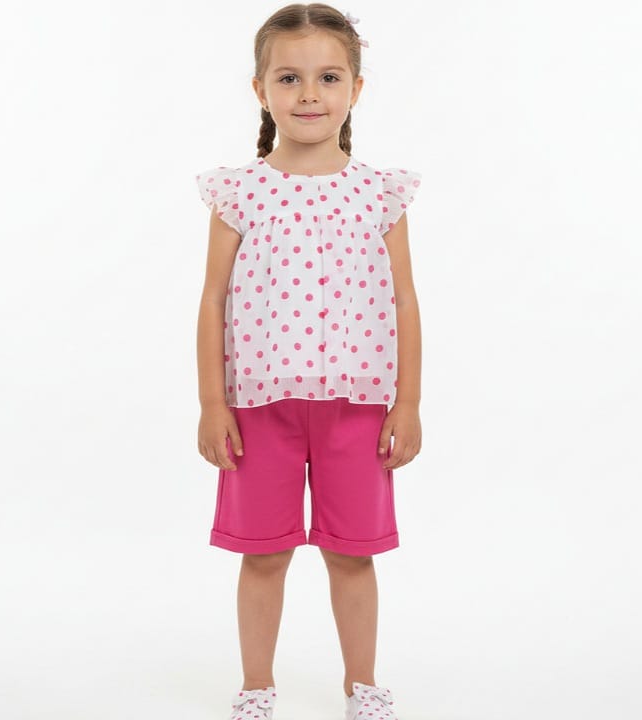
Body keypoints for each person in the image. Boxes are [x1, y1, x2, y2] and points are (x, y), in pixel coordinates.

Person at [194, 4, 422, 719]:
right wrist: (212, 403)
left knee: (353, 553)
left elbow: (404, 299)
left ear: (356, 87)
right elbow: (213, 298)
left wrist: (408, 402)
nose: (309, 94)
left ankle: (364, 686)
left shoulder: (380, 193)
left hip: (357, 408)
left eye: (328, 77)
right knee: (263, 553)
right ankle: (256, 688)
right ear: (260, 89)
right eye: (289, 78)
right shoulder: (239, 192)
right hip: (259, 410)